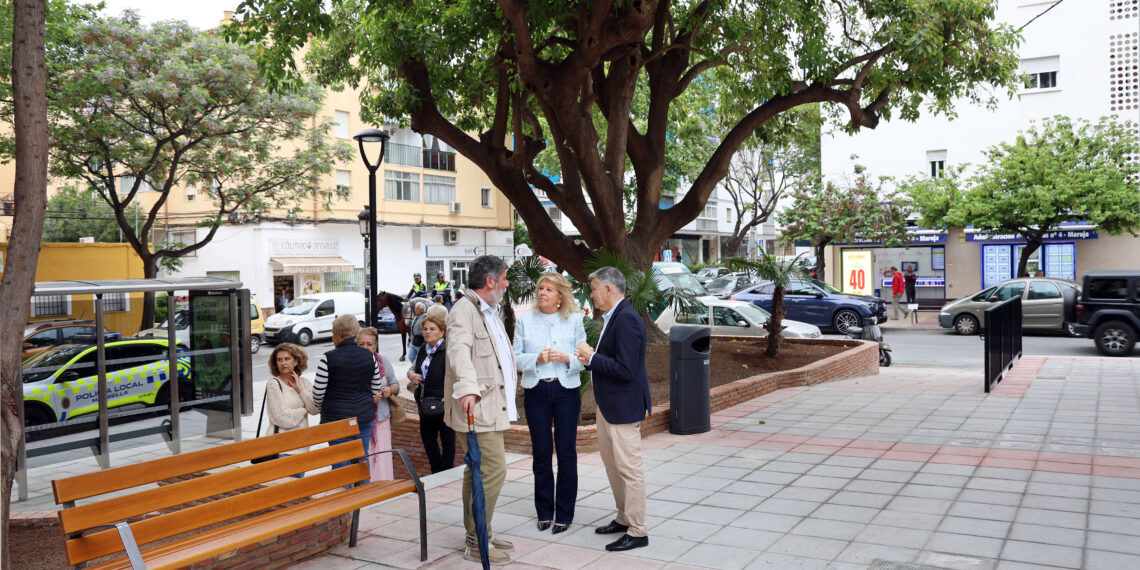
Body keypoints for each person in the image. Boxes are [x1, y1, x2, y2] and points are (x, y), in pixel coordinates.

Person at [444, 254, 516, 565]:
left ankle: (480, 531)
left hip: (492, 407)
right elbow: (459, 351)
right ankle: (476, 542)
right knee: (492, 470)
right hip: (478, 408)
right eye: (504, 278)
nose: (506, 283)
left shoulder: (488, 311)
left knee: (478, 471)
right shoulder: (464, 311)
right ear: (490, 281)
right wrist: (468, 388)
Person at [574, 266, 651, 552]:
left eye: (593, 288)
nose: (591, 294)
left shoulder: (627, 319)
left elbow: (627, 369)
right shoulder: (613, 316)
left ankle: (638, 530)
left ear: (608, 288)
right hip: (609, 406)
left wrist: (592, 358)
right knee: (613, 466)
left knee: (629, 469)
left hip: (623, 407)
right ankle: (623, 518)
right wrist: (591, 359)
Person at [514, 272, 586, 534]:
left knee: (566, 453)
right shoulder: (524, 320)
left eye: (549, 290)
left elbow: (584, 359)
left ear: (560, 296)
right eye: (540, 288)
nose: (542, 293)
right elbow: (515, 358)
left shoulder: (575, 320)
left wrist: (567, 358)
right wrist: (537, 359)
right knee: (541, 453)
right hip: (536, 392)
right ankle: (544, 511)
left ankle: (564, 513)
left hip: (567, 391)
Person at [312, 314, 383, 475]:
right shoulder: (369, 356)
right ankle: (364, 496)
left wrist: (320, 408)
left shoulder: (327, 358)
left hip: (336, 419)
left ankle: (343, 495)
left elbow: (318, 393)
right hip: (364, 417)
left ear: (338, 335)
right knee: (362, 459)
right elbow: (375, 388)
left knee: (340, 462)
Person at [407, 312, 455, 473]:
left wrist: (451, 394)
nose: (428, 332)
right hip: (425, 403)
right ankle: (437, 471)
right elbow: (412, 368)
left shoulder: (449, 350)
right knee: (428, 441)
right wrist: (411, 375)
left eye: (432, 329)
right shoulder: (423, 349)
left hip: (444, 402)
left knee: (448, 441)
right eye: (425, 329)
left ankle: (446, 472)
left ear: (442, 331)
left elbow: (459, 373)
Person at [356, 327, 401, 481]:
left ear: (375, 346)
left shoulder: (383, 361)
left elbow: (396, 385)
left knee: (383, 458)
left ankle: (384, 489)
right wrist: (369, 398)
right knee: (366, 457)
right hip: (361, 421)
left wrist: (390, 390)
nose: (365, 348)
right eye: (361, 344)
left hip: (381, 419)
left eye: (369, 344)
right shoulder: (353, 365)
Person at [407, 300, 428, 370]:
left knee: (420, 357)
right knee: (410, 356)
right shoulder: (416, 317)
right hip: (413, 341)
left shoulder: (425, 317)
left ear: (422, 309)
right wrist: (409, 339)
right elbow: (411, 329)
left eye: (417, 309)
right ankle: (417, 367)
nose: (415, 310)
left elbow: (426, 329)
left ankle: (419, 369)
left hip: (421, 342)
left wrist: (425, 341)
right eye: (415, 308)